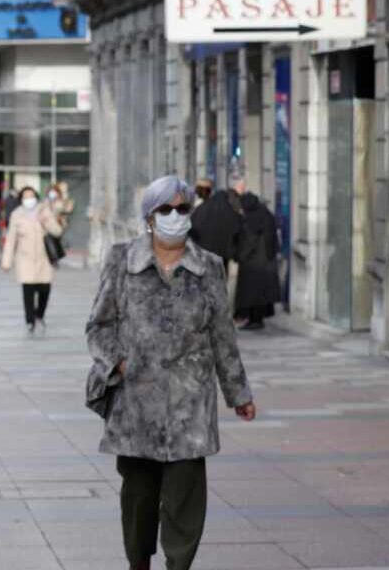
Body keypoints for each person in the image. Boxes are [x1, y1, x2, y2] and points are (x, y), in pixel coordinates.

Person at [86, 175, 257, 570]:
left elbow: (222, 336)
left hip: (189, 404)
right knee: (139, 498)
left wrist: (239, 394)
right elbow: (99, 326)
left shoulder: (209, 267)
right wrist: (119, 363)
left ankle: (179, 565)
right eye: (166, 209)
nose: (175, 216)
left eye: (183, 209)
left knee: (185, 500)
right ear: (150, 217)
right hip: (136, 405)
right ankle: (138, 563)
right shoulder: (121, 260)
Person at [1, 186, 64, 333]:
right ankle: (30, 320)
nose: (29, 199)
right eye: (25, 196)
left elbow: (58, 231)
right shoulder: (16, 214)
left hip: (43, 258)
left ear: (36, 197)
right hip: (25, 259)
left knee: (45, 289)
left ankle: (39, 314)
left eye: (31, 196)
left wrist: (47, 222)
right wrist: (6, 262)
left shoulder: (45, 210)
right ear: (21, 199)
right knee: (27, 290)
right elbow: (11, 240)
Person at [233, 191, 279, 330]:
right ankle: (257, 319)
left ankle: (255, 320)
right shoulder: (266, 214)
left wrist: (239, 256)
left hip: (252, 263)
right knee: (261, 294)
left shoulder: (251, 219)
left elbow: (248, 242)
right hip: (266, 261)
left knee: (252, 294)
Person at [189, 177, 241, 264]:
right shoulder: (226, 207)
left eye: (198, 190)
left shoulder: (200, 209)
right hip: (222, 253)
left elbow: (192, 230)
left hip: (204, 252)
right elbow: (236, 227)